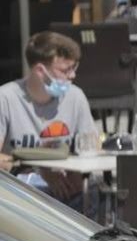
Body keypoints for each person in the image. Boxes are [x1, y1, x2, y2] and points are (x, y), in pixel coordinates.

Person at [0, 32, 93, 202]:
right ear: (40, 71)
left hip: (68, 191)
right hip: (22, 193)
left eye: (74, 68)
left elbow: (91, 148)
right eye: (65, 70)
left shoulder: (75, 97)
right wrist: (43, 171)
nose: (72, 76)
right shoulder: (5, 98)